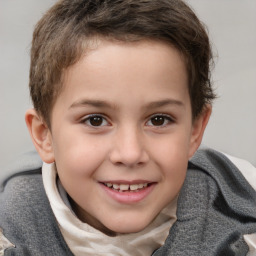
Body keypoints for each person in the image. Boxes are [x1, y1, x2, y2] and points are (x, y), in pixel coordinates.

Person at [0, 0, 255, 255]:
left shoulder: (244, 214)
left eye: (158, 120)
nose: (130, 154)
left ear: (195, 130)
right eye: (95, 120)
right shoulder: (10, 233)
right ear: (44, 136)